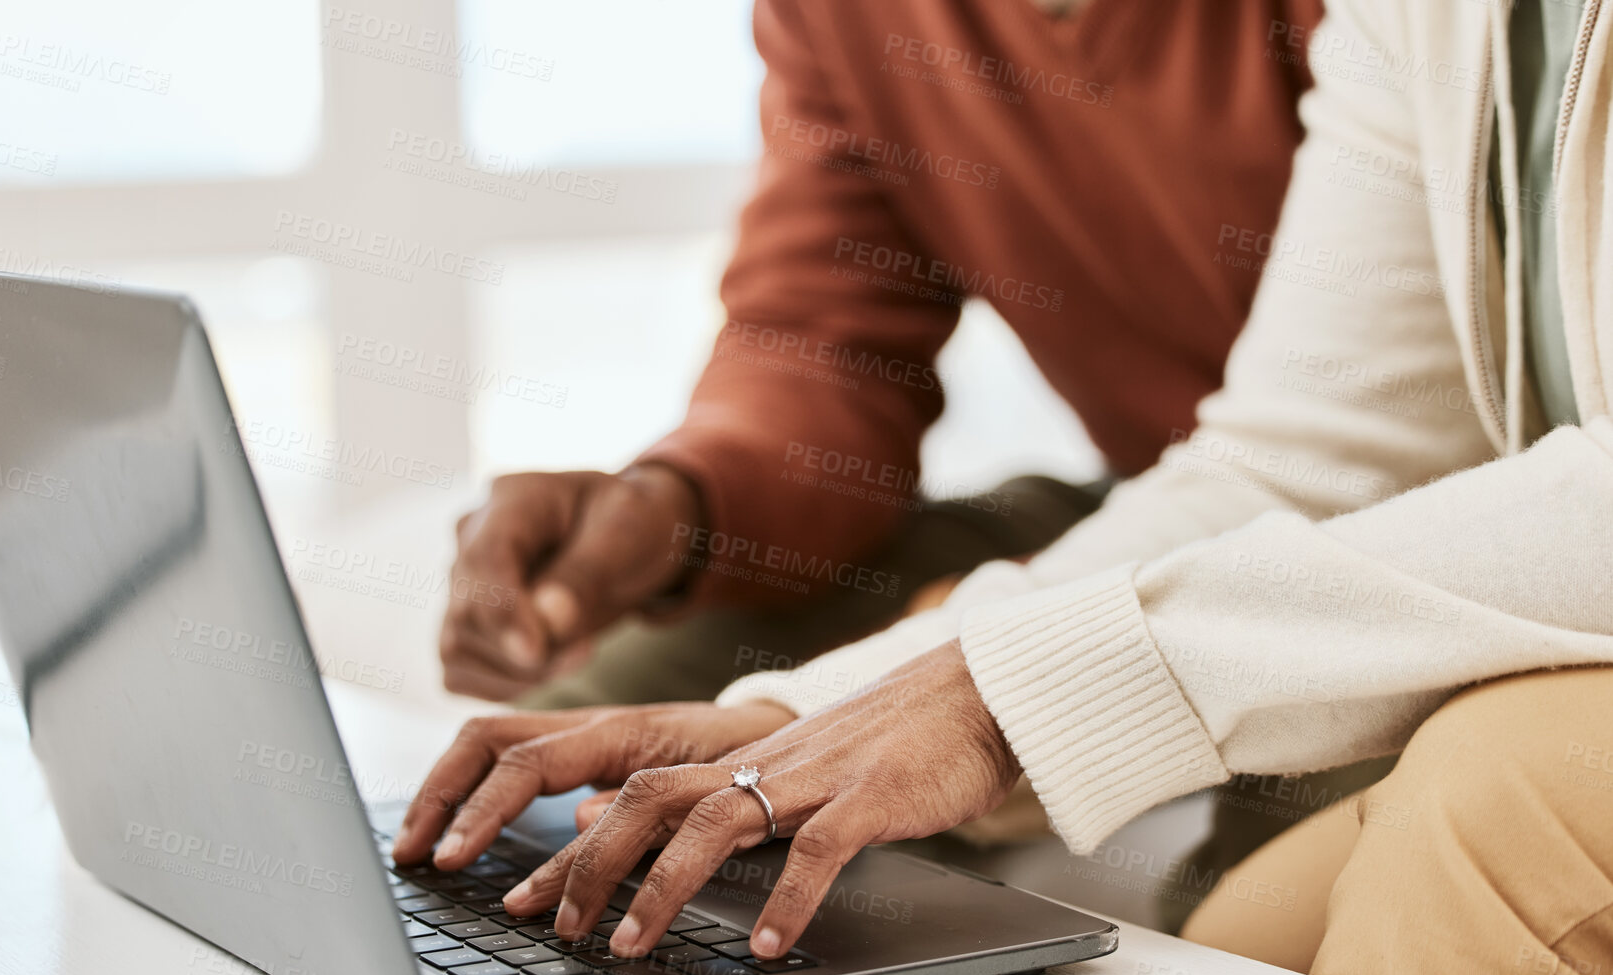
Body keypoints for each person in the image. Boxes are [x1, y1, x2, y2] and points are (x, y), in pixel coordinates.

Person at [399, 0, 1613, 975]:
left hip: (1473, 552)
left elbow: (1410, 478)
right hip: (1232, 503)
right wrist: (803, 697)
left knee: (1471, 796)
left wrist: (1013, 690)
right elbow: (1306, 453)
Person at [441, 0, 1322, 711]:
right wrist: (679, 502)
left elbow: (1382, 435)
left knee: (1247, 904)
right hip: (1152, 497)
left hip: (1382, 525)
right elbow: (822, 345)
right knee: (605, 708)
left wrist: (1000, 632)